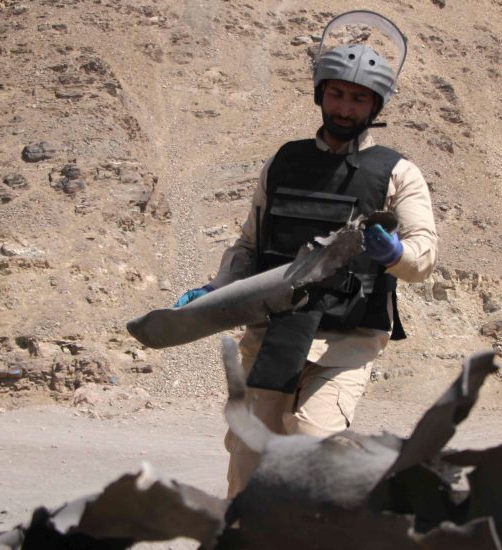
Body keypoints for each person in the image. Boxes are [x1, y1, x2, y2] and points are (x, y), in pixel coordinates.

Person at [176, 12, 437, 497]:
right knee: (248, 465)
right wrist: (216, 288)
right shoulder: (284, 162)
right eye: (337, 93)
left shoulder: (398, 172)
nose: (345, 108)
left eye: (358, 98)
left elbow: (423, 257)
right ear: (320, 93)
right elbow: (250, 246)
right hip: (273, 334)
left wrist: (394, 252)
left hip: (345, 340)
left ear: (375, 104)